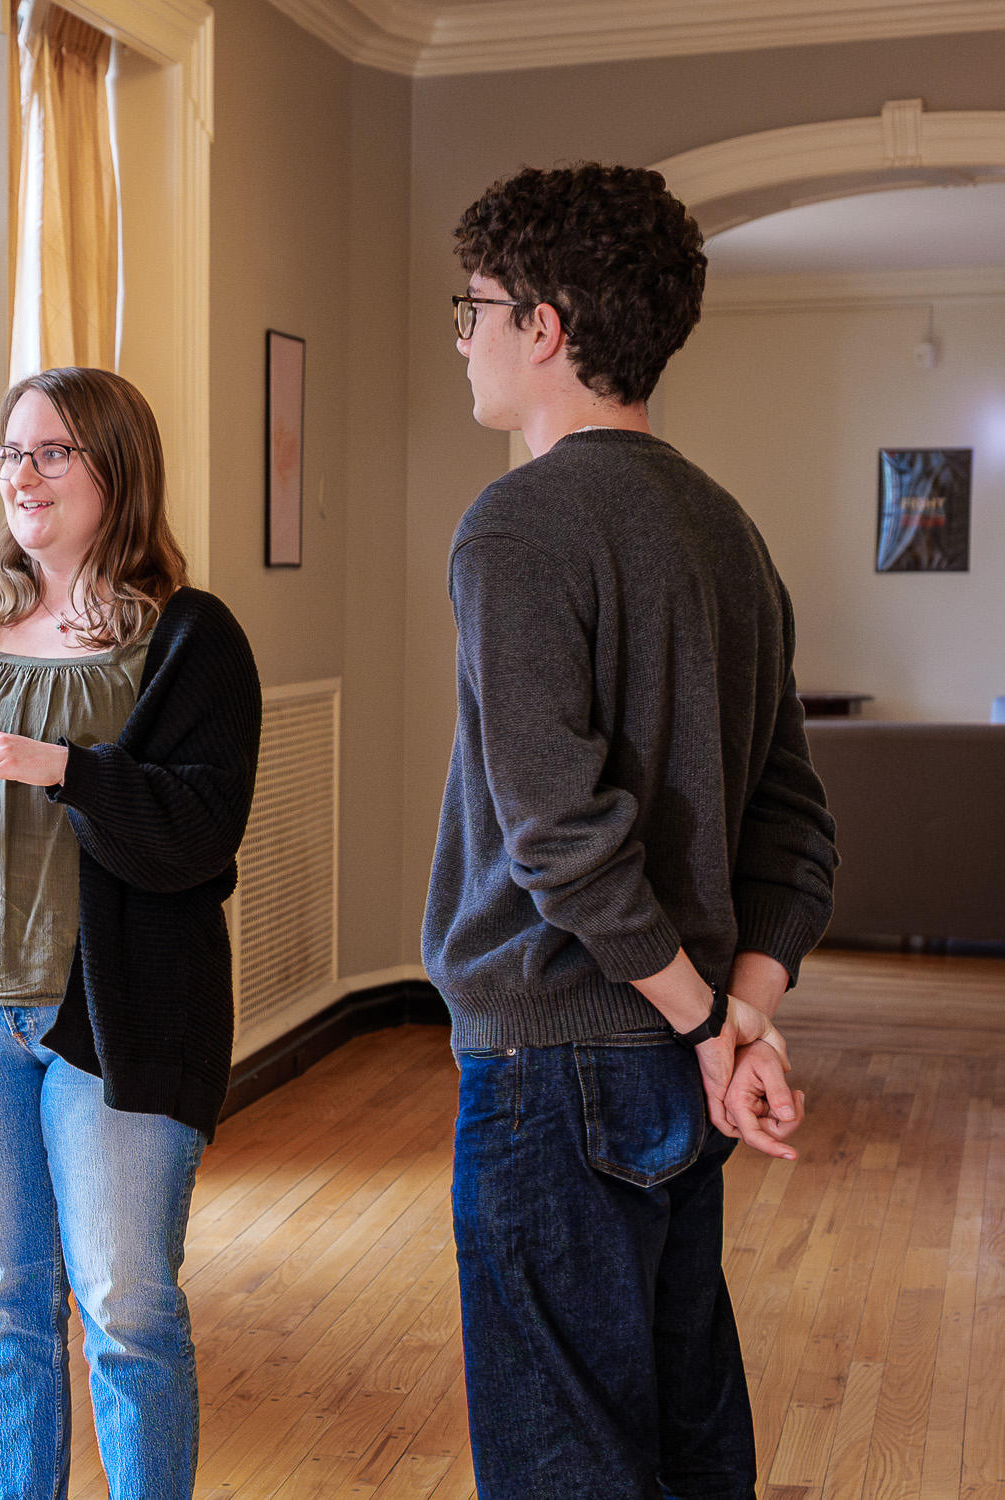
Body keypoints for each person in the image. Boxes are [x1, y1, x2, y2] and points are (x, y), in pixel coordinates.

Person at [428, 164, 838, 1500]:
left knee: (563, 1464)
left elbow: (557, 834)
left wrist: (701, 1020)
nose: (461, 334)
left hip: (558, 1066)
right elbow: (793, 826)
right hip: (673, 1057)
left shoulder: (517, 524)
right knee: (682, 1441)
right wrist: (739, 1015)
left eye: (473, 307)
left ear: (543, 327)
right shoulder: (725, 532)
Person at [0, 366, 260, 1500]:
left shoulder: (188, 637)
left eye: (53, 453)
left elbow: (202, 829)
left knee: (127, 1307)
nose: (23, 477)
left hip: (114, 1024)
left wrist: (66, 769)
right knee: (4, 1301)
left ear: (116, 470)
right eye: (10, 455)